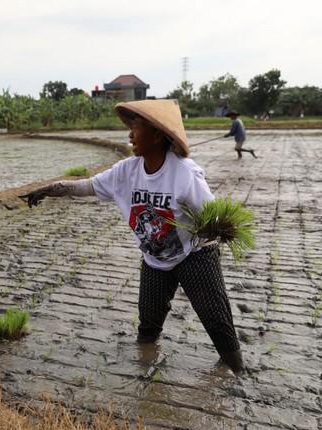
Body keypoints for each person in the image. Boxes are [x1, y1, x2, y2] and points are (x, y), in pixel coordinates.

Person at [20, 99, 244, 373]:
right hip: (155, 260)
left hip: (195, 256)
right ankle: (146, 366)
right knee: (148, 325)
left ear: (157, 134)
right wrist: (47, 189)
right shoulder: (126, 171)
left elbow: (216, 217)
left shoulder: (184, 174)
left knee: (217, 322)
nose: (129, 134)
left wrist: (219, 230)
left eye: (135, 128)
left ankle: (236, 373)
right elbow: (87, 186)